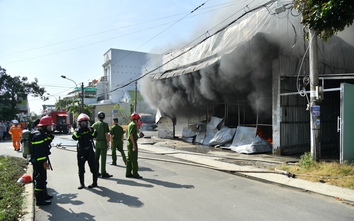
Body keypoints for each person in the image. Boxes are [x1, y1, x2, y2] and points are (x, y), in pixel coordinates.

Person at [31, 115, 54, 206]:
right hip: (39, 161)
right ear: (43, 126)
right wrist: (44, 162)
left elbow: (47, 142)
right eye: (48, 127)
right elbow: (39, 152)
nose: (50, 128)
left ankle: (44, 195)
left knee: (43, 178)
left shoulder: (42, 134)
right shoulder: (38, 135)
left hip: (41, 160)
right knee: (40, 179)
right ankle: (39, 200)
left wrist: (50, 135)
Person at [72, 113, 99, 189]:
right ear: (79, 123)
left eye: (85, 122)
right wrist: (79, 132)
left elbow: (95, 135)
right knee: (81, 169)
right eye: (82, 123)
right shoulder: (78, 131)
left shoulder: (90, 129)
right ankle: (82, 184)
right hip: (81, 152)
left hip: (90, 151)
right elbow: (74, 137)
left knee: (93, 168)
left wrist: (91, 131)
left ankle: (95, 183)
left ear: (87, 123)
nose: (84, 124)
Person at [92, 111, 112, 178]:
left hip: (97, 142)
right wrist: (108, 142)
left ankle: (96, 172)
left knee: (96, 158)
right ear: (104, 117)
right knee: (103, 158)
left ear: (98, 117)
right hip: (103, 142)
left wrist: (94, 139)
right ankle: (103, 173)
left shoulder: (95, 124)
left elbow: (91, 132)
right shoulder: (105, 124)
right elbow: (106, 134)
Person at [125, 113, 144, 179]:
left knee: (129, 159)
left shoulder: (130, 124)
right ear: (136, 119)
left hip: (129, 143)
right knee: (134, 159)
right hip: (132, 143)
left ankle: (128, 173)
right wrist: (134, 145)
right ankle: (135, 173)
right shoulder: (133, 125)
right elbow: (131, 135)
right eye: (138, 118)